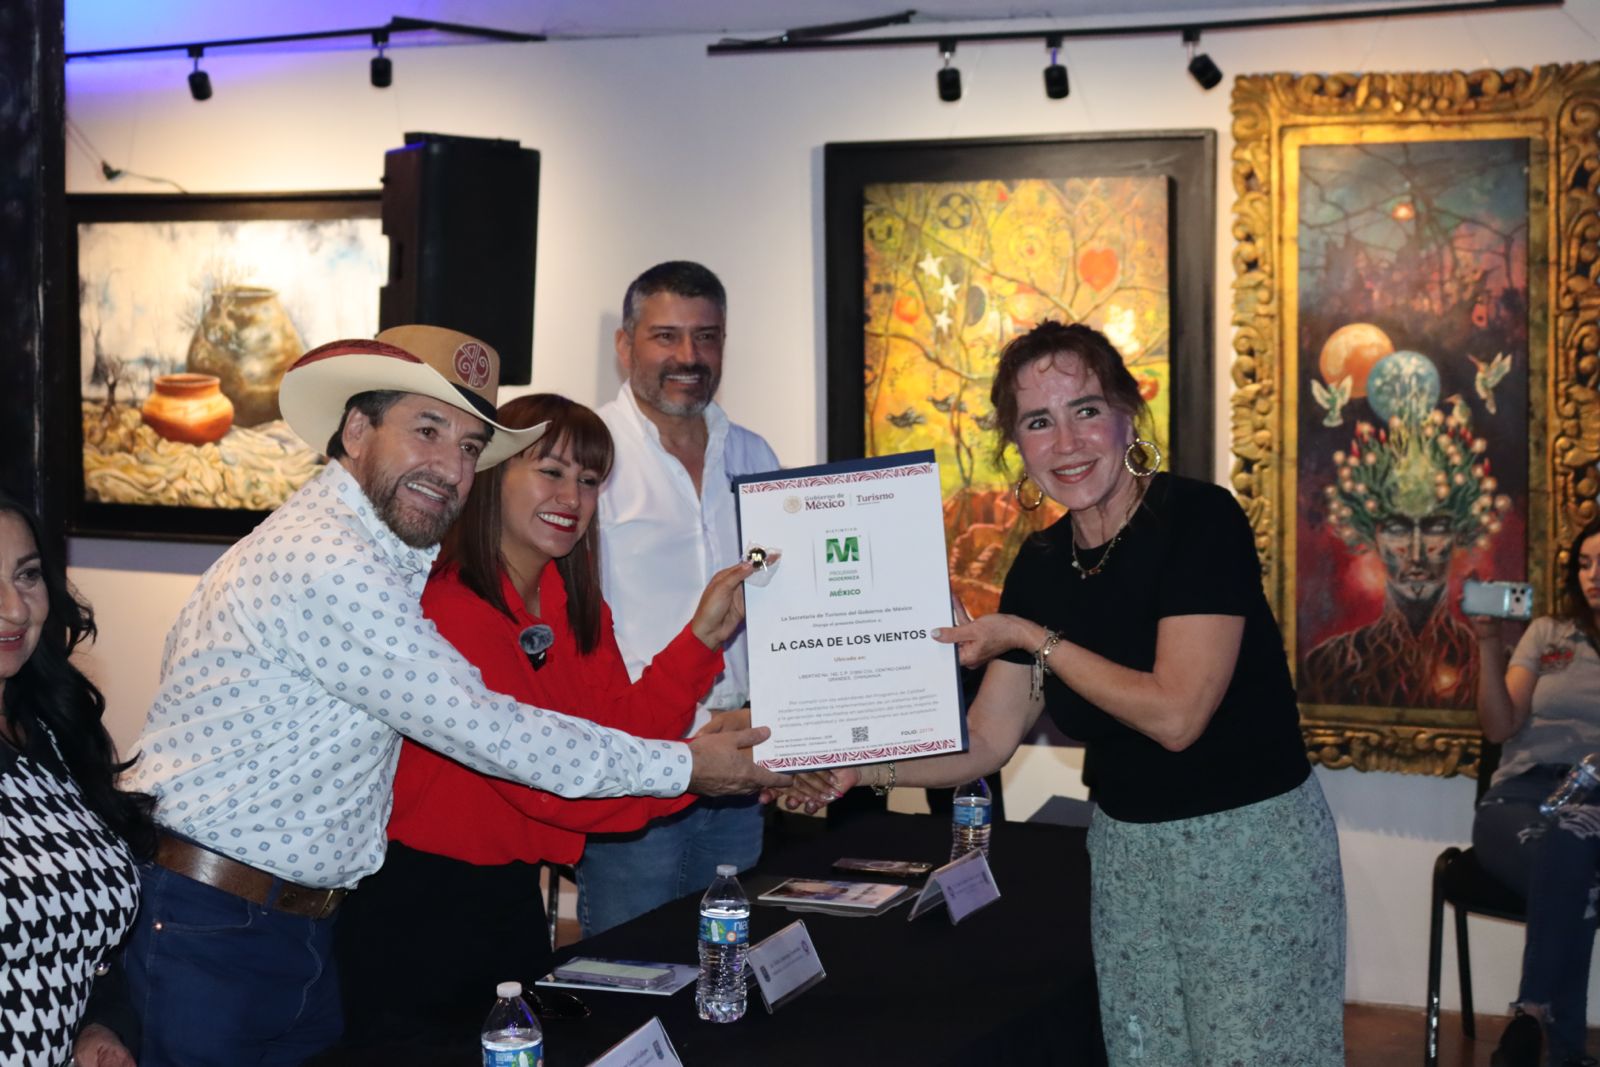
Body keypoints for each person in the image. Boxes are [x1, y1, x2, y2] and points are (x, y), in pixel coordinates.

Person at [121, 325, 785, 1067]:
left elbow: (602, 725)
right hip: (225, 917)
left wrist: (698, 672)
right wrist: (693, 767)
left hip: (291, 921)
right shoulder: (333, 562)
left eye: (471, 446)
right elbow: (496, 733)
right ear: (356, 429)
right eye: (427, 430)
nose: (451, 465)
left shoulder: (398, 559)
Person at [780, 321, 1347, 1066]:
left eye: (1086, 410)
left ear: (1127, 415)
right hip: (1126, 857)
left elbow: (1176, 716)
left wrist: (1031, 636)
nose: (1067, 443)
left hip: (1250, 853)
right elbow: (987, 740)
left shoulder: (1199, 520)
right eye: (1038, 422)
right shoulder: (1042, 563)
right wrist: (863, 767)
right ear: (1016, 445)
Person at [337, 393, 754, 1043]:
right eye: (551, 471)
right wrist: (697, 772)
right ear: (493, 475)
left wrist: (702, 639)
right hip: (418, 905)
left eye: (589, 480)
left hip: (509, 897)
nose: (573, 497)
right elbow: (552, 785)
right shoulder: (451, 605)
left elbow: (621, 731)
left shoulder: (570, 599)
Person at [579, 261, 782, 936]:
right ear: (624, 344)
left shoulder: (756, 456)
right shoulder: (587, 459)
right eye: (666, 336)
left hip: (742, 756)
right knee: (630, 962)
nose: (688, 356)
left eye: (706, 336)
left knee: (726, 958)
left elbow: (784, 604)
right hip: (638, 764)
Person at [0, 490, 154, 1067]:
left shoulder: (57, 730)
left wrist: (99, 1026)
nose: (16, 609)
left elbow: (85, 942)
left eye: (27, 576)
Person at [1469, 516, 1600, 1067]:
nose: (1593, 575)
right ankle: (1563, 1048)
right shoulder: (1549, 633)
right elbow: (1499, 727)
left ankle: (1530, 1016)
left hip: (1593, 801)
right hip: (1519, 798)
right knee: (1579, 874)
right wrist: (1488, 646)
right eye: (1585, 564)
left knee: (1575, 839)